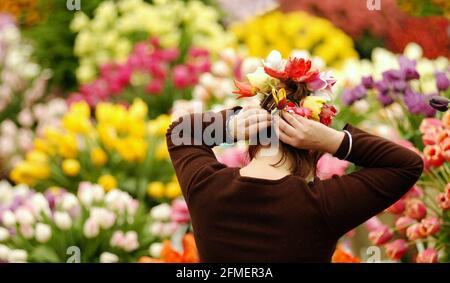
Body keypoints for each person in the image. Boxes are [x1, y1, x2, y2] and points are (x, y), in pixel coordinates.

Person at [166, 104, 423, 262]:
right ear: (313, 149)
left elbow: (178, 132)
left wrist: (229, 126)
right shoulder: (322, 205)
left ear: (252, 134)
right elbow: (406, 164)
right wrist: (334, 140)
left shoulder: (206, 187)